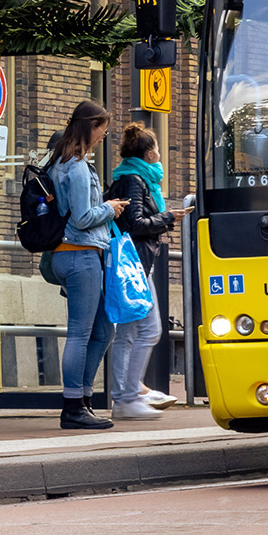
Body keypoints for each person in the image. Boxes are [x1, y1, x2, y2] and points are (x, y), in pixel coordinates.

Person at [46, 100, 125, 430]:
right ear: (90, 127)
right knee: (80, 332)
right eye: (102, 129)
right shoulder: (76, 167)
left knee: (105, 329)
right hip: (79, 254)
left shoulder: (60, 162)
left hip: (74, 255)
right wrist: (110, 208)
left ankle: (83, 398)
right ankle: (73, 407)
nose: (104, 135)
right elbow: (81, 218)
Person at [104, 123, 178, 420]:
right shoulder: (135, 180)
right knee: (145, 330)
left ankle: (130, 394)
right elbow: (134, 224)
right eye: (157, 149)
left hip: (134, 264)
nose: (159, 154)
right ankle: (128, 396)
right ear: (149, 154)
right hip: (134, 266)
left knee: (134, 331)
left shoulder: (131, 177)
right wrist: (167, 218)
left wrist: (165, 218)